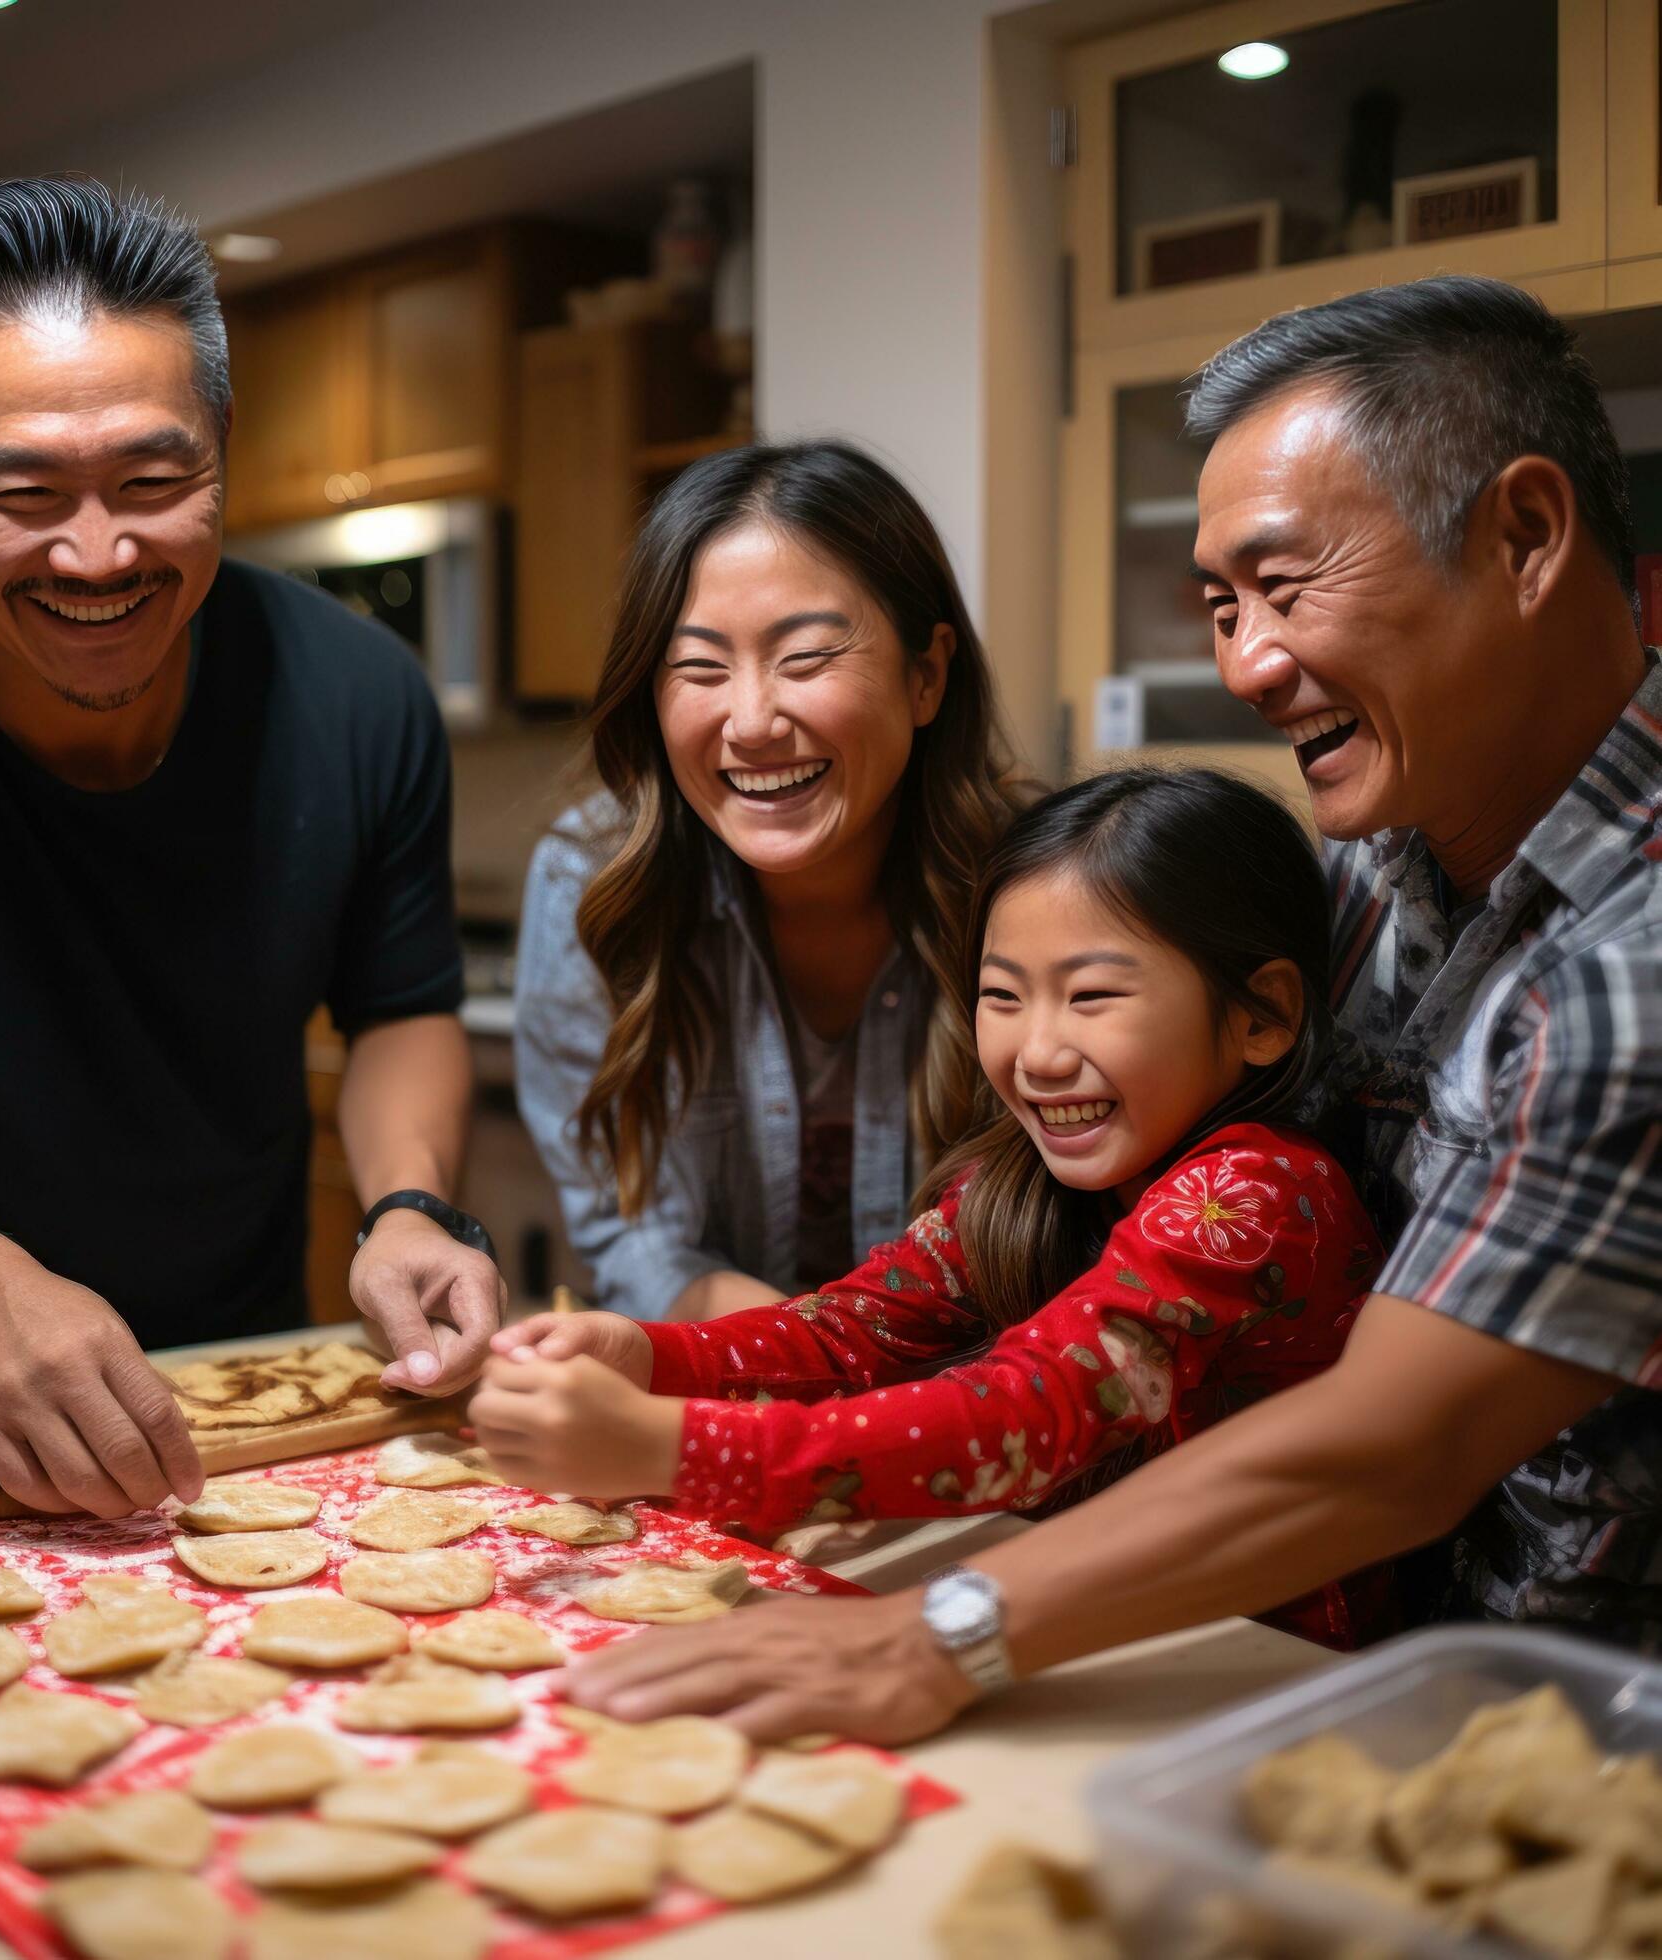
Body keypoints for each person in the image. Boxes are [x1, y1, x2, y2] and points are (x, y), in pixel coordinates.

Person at [549, 275, 1660, 1745]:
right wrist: (662, 1360)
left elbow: (1379, 1448)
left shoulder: (1625, 964)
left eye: (1289, 582)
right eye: (1221, 604)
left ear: (1523, 536)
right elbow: (873, 1318)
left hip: (1566, 1736)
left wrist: (918, 1632)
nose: (1246, 663)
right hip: (1300, 1657)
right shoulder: (1371, 872)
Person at [0, 177, 500, 1517]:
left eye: (153, 478)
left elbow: (400, 1008)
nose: (98, 552)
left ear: (223, 444)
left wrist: (408, 1207)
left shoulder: (358, 696)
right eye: (24, 493)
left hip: (244, 1364)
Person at [477, 769, 1386, 1647]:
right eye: (1002, 996)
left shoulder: (1259, 1196)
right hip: (1099, 1633)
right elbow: (844, 1334)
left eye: (1092, 997)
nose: (1037, 1052)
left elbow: (1021, 1415)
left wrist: (673, 1447)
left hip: (1263, 1671)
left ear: (1262, 1015)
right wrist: (649, 1356)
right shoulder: (1014, 1184)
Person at [512, 441, 1027, 1329]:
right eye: (701, 668)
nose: (750, 723)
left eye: (807, 657)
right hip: (717, 1405)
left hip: (977, 1416)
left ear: (927, 676)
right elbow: (637, 1239)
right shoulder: (592, 885)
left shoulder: (1038, 887)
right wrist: (814, 1368)